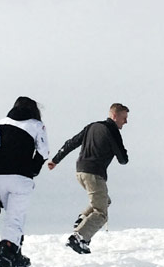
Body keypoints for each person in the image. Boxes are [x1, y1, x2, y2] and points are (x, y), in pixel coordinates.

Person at [48, 103, 129, 254]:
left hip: (80, 172)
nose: (126, 122)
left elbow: (71, 143)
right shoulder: (112, 130)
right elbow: (123, 159)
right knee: (101, 213)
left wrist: (55, 160)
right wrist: (122, 153)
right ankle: (78, 237)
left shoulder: (92, 126)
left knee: (105, 201)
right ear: (114, 116)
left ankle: (82, 219)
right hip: (94, 174)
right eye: (124, 118)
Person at [0, 96, 48, 267]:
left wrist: (1, 163)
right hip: (21, 178)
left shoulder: (1, 123)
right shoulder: (36, 125)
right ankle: (7, 254)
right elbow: (43, 151)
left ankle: (16, 252)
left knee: (12, 217)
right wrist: (33, 169)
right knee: (15, 218)